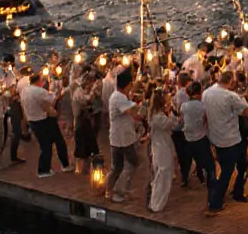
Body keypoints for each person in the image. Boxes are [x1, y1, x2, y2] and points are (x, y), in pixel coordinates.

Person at [203, 70, 248, 215]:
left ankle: (235, 192)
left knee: (229, 167)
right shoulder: (231, 96)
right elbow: (247, 112)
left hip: (215, 137)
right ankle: (215, 202)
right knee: (231, 170)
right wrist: (243, 100)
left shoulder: (207, 93)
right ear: (231, 82)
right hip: (231, 138)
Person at [106, 69, 144, 203]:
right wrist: (142, 106)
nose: (132, 86)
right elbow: (132, 112)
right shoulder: (119, 97)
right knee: (132, 163)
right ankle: (119, 190)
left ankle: (109, 190)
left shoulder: (119, 96)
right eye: (130, 84)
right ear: (126, 85)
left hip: (118, 137)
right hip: (122, 139)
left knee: (116, 167)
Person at [24, 72, 70, 178]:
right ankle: (59, 166)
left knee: (45, 144)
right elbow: (51, 102)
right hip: (43, 120)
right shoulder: (40, 91)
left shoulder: (25, 90)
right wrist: (57, 96)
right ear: (38, 81)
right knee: (57, 142)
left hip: (32, 120)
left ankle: (44, 168)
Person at [147, 89, 177, 212]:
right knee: (163, 175)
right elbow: (172, 124)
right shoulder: (160, 118)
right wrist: (172, 113)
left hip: (157, 146)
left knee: (159, 174)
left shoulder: (153, 115)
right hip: (163, 147)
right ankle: (157, 204)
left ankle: (154, 202)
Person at [181, 81, 214, 192]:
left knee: (189, 161)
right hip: (201, 138)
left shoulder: (184, 106)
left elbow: (182, 120)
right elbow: (206, 120)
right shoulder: (203, 106)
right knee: (210, 166)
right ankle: (212, 189)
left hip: (188, 139)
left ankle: (186, 179)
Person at [71, 70, 101, 169]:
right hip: (80, 120)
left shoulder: (81, 91)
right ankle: (81, 166)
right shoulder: (78, 91)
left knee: (88, 139)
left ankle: (87, 159)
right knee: (82, 141)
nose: (89, 83)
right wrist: (92, 91)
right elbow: (86, 101)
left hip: (84, 120)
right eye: (88, 81)